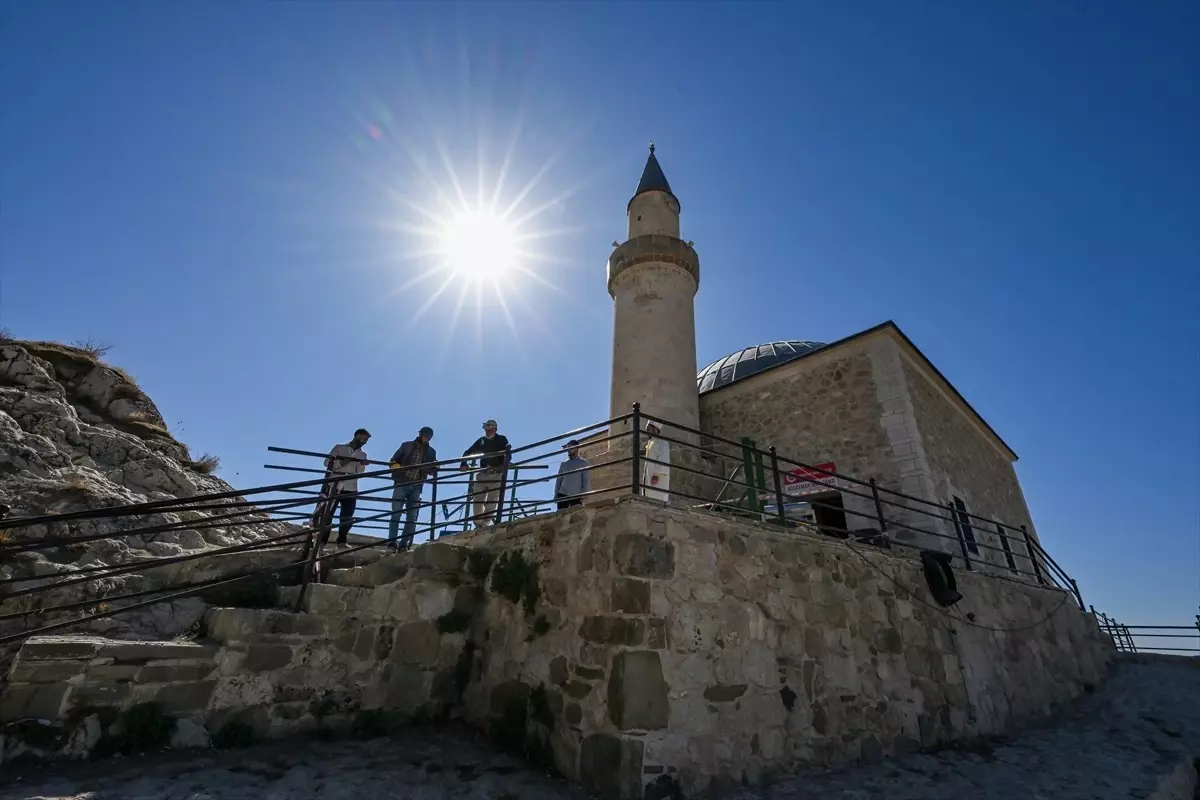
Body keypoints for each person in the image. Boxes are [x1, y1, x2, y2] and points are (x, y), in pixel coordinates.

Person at [387, 426, 438, 552]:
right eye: (425, 434)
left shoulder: (431, 452)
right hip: (401, 483)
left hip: (417, 486)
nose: (427, 436)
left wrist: (435, 467)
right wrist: (395, 465)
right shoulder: (407, 445)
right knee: (396, 514)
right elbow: (394, 460)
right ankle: (392, 544)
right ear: (420, 434)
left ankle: (403, 544)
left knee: (411, 517)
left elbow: (431, 469)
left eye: (430, 435)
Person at [325, 428, 370, 545]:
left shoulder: (363, 454)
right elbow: (327, 462)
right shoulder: (339, 448)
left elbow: (360, 473)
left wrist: (362, 465)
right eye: (364, 439)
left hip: (351, 487)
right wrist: (342, 462)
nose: (365, 442)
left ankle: (341, 541)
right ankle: (322, 542)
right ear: (357, 436)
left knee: (347, 516)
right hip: (334, 485)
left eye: (366, 440)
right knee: (328, 514)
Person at [460, 419, 510, 527]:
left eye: (490, 429)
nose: (487, 431)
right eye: (486, 429)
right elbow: (469, 452)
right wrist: (463, 463)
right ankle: (478, 523)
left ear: (495, 429)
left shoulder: (501, 439)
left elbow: (507, 455)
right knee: (477, 500)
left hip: (496, 474)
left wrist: (501, 466)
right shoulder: (482, 441)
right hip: (483, 474)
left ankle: (485, 524)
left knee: (491, 502)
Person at [554, 439, 590, 510]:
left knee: (576, 515)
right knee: (561, 514)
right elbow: (559, 480)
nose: (568, 450)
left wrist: (585, 493)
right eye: (567, 448)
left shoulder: (583, 463)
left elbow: (585, 480)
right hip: (563, 494)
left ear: (576, 448)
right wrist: (556, 494)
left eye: (570, 447)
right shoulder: (564, 463)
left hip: (576, 494)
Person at [641, 422, 670, 502]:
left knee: (656, 495)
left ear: (656, 430)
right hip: (649, 474)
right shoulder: (650, 443)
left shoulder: (663, 442)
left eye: (650, 429)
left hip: (657, 477)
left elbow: (663, 459)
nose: (648, 431)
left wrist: (656, 475)